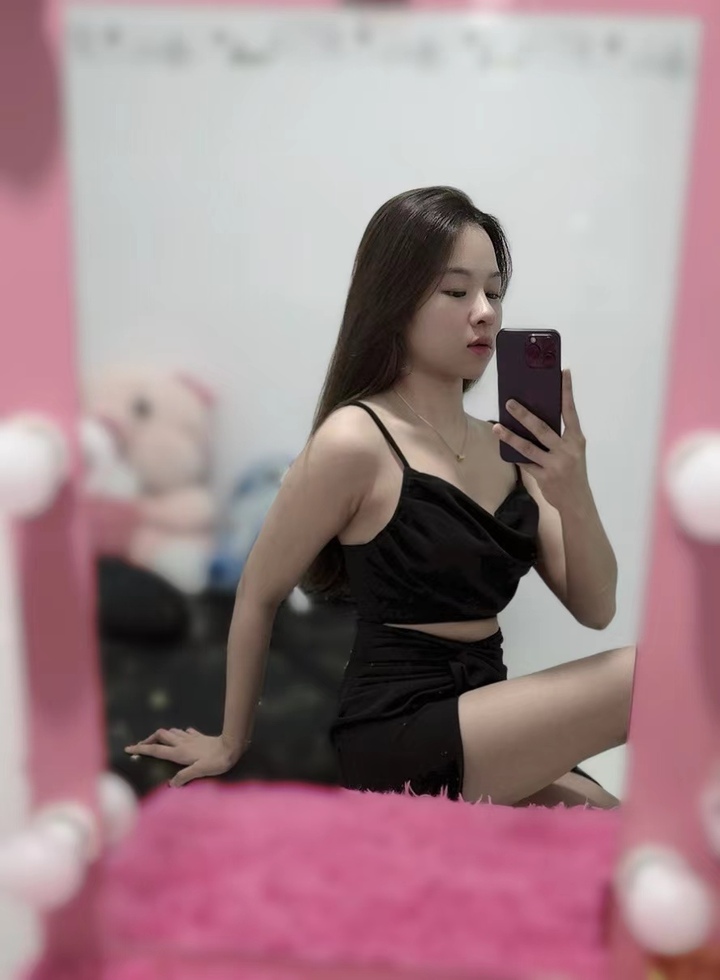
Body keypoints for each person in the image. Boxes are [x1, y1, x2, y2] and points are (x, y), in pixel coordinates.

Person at [125, 186, 634, 807]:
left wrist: (573, 488)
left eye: (494, 293)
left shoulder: (510, 446)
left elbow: (596, 608)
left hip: (483, 718)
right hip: (397, 729)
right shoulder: (355, 440)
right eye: (456, 292)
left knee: (615, 822)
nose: (484, 312)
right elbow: (258, 591)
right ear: (395, 300)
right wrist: (231, 742)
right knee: (646, 676)